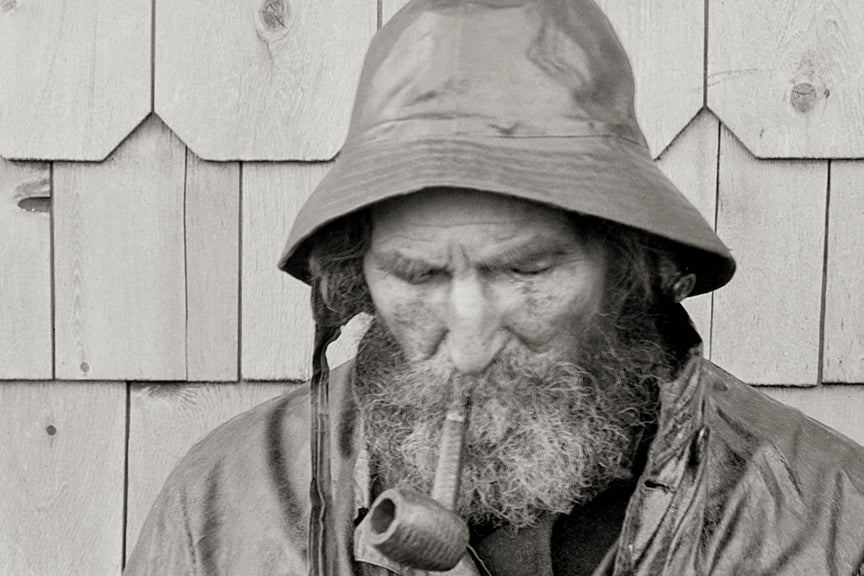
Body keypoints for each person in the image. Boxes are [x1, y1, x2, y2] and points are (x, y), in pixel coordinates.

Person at [124, 0, 864, 574]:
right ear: (359, 279)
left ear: (630, 265)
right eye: (417, 275)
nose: (471, 343)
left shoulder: (825, 515)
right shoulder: (226, 504)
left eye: (526, 271)